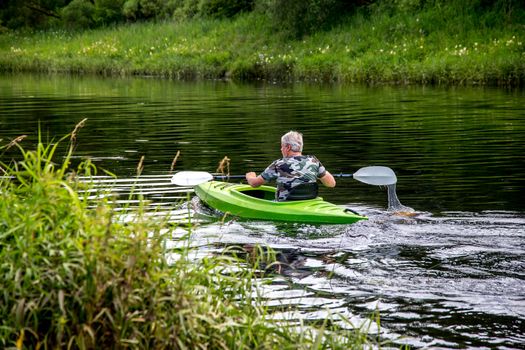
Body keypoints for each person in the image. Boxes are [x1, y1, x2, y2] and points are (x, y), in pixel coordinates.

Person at [245, 131, 336, 201]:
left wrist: (250, 177)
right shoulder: (313, 160)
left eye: (282, 146)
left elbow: (254, 184)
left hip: (286, 204)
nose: (281, 149)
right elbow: (331, 184)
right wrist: (314, 174)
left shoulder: (278, 164)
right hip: (309, 202)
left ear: (288, 147)